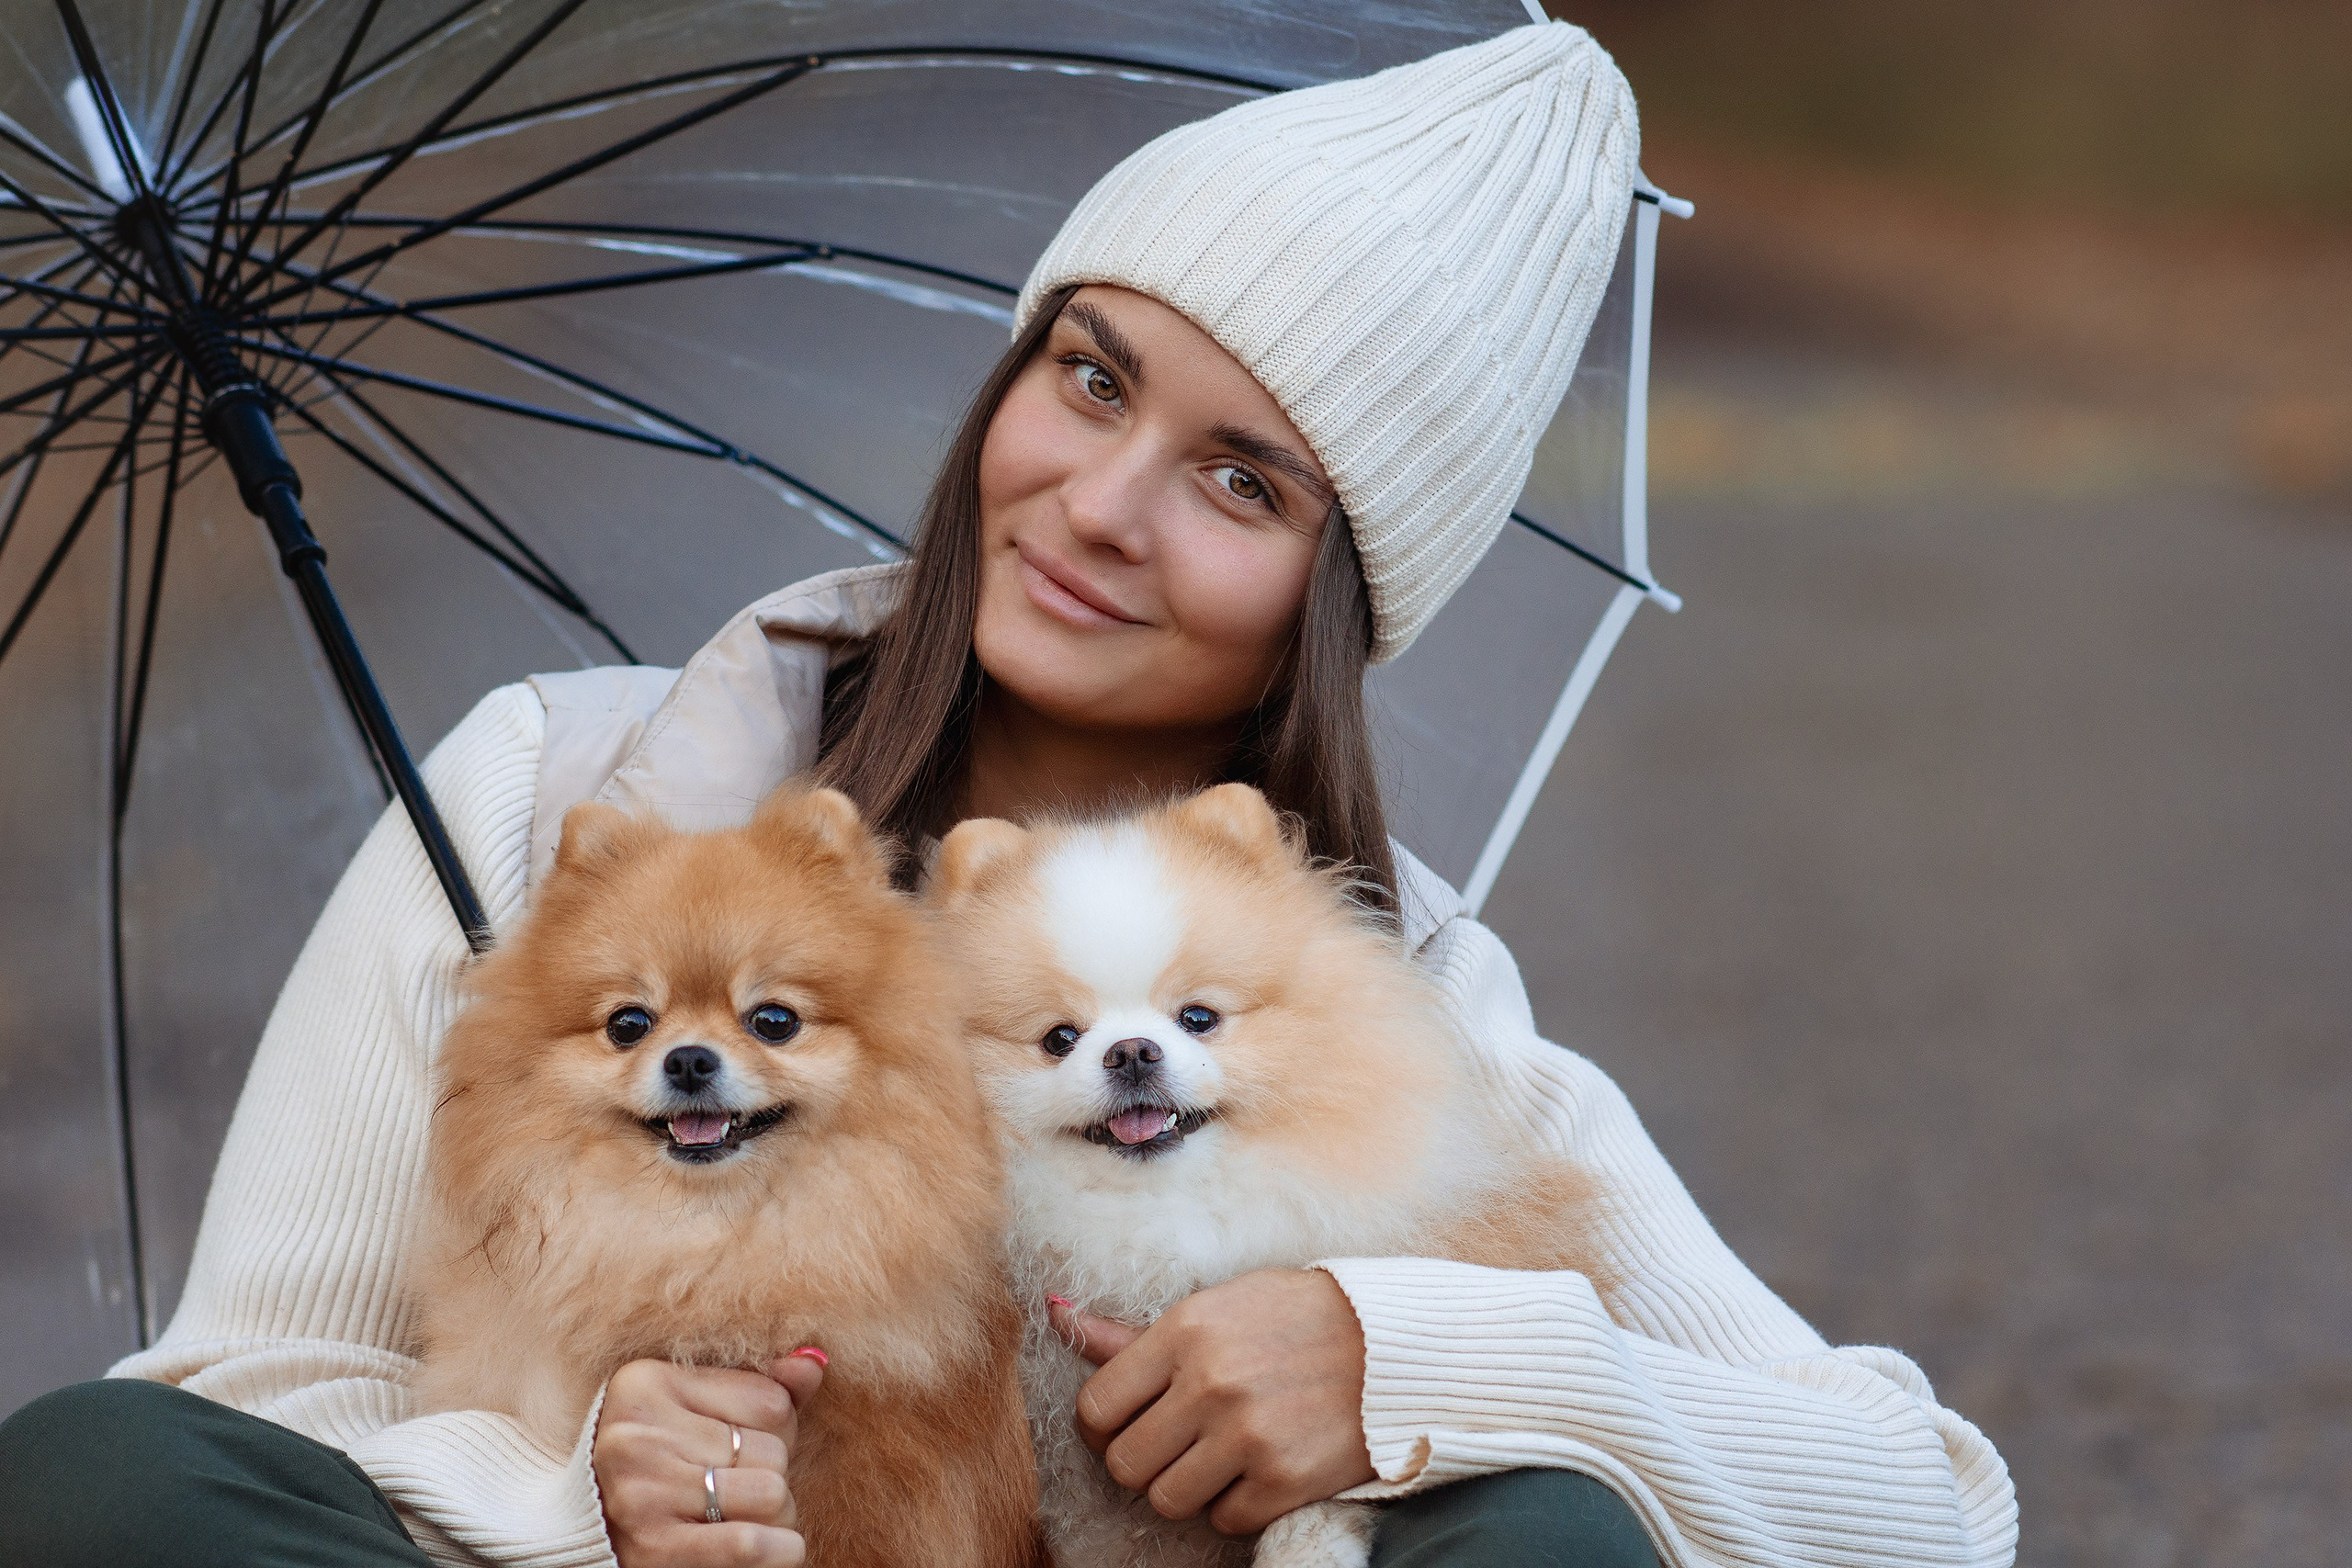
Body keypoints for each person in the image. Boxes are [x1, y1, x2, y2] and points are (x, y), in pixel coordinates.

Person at [0, 21, 2016, 1568]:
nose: (1102, 504)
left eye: (1245, 480)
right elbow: (247, 1380)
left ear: (1341, 587)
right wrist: (565, 1486)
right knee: (95, 1475)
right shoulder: (563, 793)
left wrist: (1414, 1366)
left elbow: (1927, 1495)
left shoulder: (1396, 1009)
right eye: (1091, 371)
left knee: (1544, 1523)